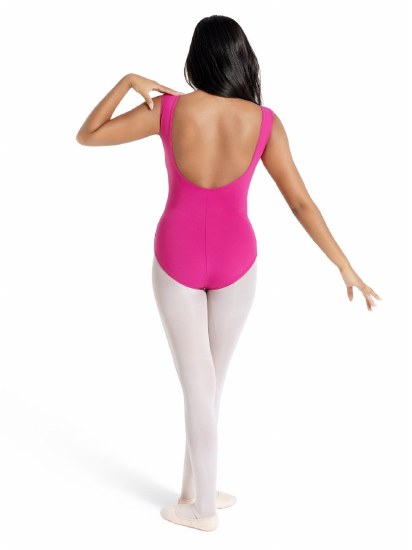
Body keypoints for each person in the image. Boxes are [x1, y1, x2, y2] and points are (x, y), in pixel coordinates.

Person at [76, 14, 382, 532]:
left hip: (176, 257)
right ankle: (197, 491)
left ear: (196, 58)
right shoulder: (263, 121)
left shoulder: (170, 110)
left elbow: (88, 135)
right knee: (209, 384)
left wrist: (128, 81)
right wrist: (344, 265)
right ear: (243, 60)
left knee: (200, 386)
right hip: (237, 261)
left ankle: (201, 509)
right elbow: (301, 203)